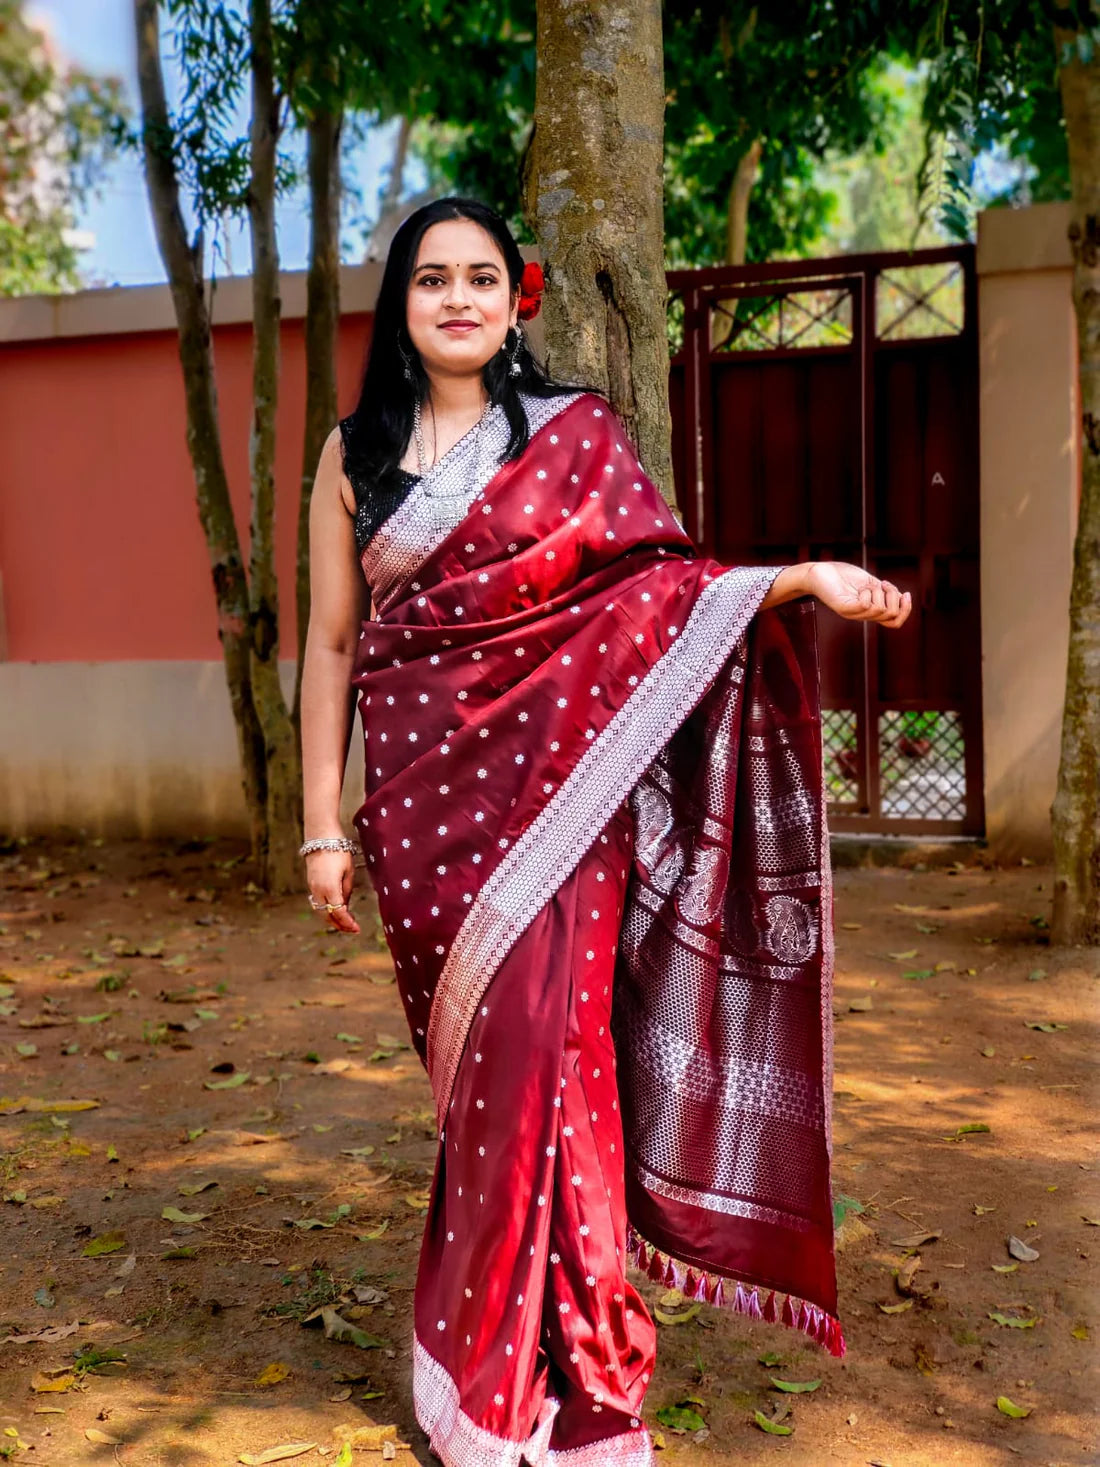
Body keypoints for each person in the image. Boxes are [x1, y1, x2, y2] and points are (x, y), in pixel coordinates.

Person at [298, 196, 911, 1467]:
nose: (456, 299)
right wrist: (319, 825)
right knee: (485, 1098)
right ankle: (482, 1375)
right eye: (429, 280)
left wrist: (793, 581)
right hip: (426, 823)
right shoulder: (351, 454)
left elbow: (651, 592)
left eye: (479, 277)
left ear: (513, 297)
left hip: (561, 807)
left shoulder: (569, 433)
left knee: (553, 1069)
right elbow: (331, 641)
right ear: (397, 306)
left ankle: (579, 1386)